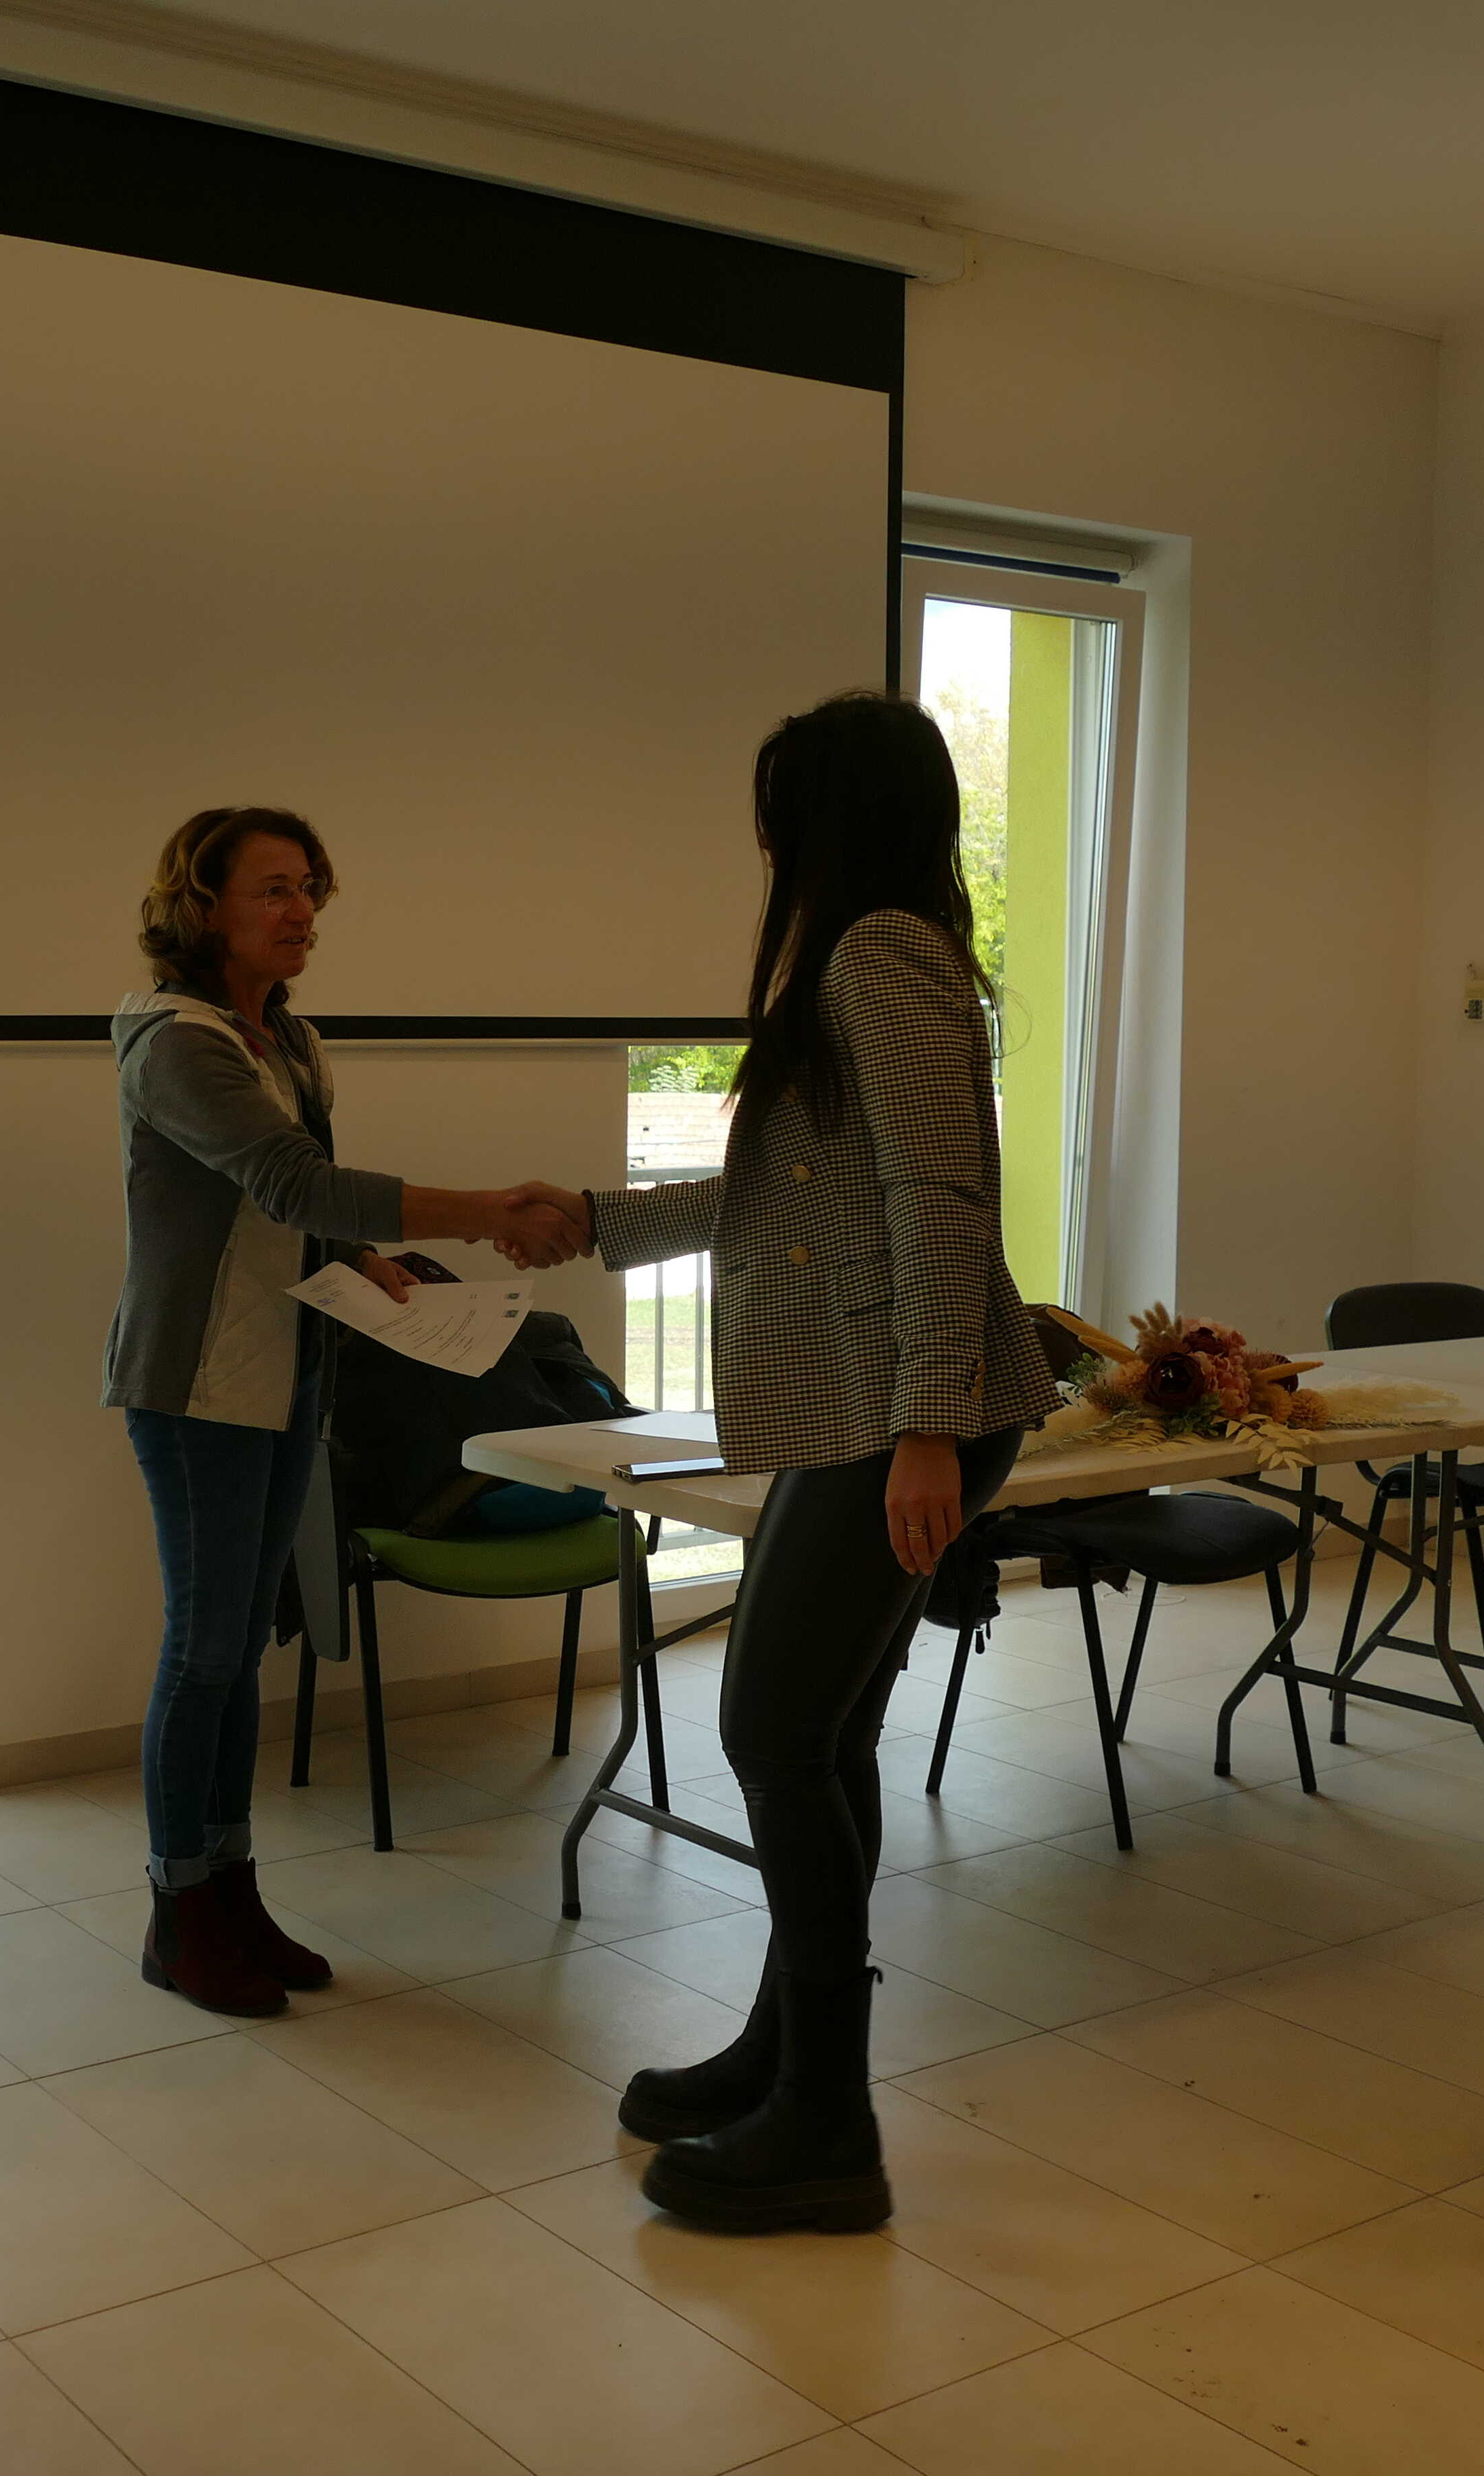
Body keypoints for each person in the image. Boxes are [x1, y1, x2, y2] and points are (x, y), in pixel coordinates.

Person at [536, 693, 1057, 2235]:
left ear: (828, 819)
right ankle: (784, 2055)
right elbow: (795, 1188)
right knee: (820, 1737)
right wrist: (597, 1221)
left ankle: (828, 2124)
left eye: (779, 810)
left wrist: (925, 1427)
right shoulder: (867, 957)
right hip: (872, 1404)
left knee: (770, 1727)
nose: (763, 841)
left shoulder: (876, 954)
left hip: (898, 1409)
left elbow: (940, 1200)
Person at [110, 806, 581, 2017]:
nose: (302, 910)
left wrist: (365, 1261)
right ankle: (177, 1914)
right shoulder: (175, 1040)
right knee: (204, 1650)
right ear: (204, 907)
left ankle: (231, 1892)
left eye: (310, 886)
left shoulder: (289, 1037)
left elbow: (297, 1215)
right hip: (199, 1386)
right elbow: (288, 1181)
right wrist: (486, 1210)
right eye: (273, 888)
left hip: (289, 1372)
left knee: (240, 1654)